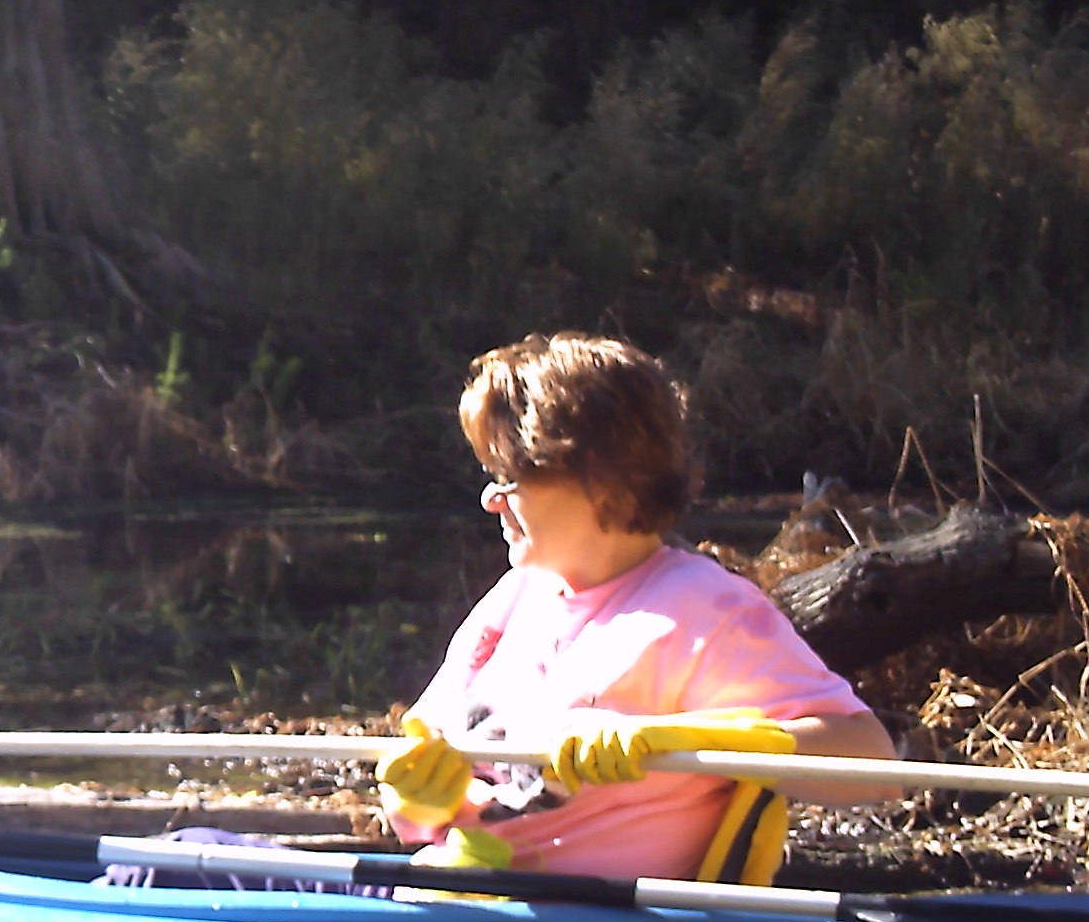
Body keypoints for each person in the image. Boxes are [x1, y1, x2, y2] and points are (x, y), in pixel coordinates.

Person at [379, 332, 893, 884]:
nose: (491, 499)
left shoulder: (702, 609)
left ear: (601, 480)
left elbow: (869, 762)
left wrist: (675, 739)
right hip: (461, 900)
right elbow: (416, 781)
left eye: (512, 478)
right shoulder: (515, 595)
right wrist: (416, 796)